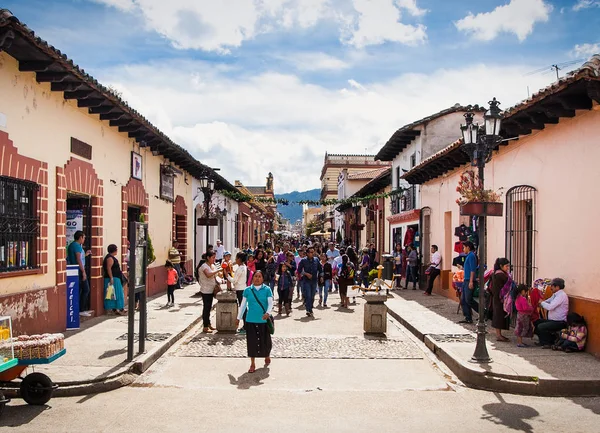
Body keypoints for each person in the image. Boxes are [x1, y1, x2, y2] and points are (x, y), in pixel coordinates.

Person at [236, 271, 273, 373]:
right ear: (252, 278)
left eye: (259, 276)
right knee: (252, 342)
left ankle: (267, 355)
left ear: (262, 278)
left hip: (263, 320)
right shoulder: (248, 290)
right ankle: (252, 363)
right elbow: (243, 305)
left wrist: (268, 313)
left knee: (266, 341)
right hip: (250, 320)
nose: (257, 278)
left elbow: (270, 303)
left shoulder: (267, 290)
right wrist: (238, 318)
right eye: (255, 276)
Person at [534, 277, 569, 348]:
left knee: (541, 326)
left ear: (557, 287)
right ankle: (543, 341)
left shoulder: (561, 296)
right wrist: (542, 302)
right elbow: (548, 301)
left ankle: (547, 343)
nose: (550, 287)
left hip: (559, 322)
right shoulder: (555, 294)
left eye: (552, 286)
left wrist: (542, 303)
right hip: (553, 320)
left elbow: (550, 307)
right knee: (536, 321)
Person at [198, 251, 221, 333]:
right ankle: (205, 326)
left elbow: (216, 276)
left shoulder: (213, 266)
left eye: (214, 258)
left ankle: (208, 323)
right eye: (213, 258)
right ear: (208, 257)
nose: (214, 259)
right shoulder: (204, 266)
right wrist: (217, 271)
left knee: (209, 307)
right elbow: (208, 275)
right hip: (205, 290)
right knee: (206, 308)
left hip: (212, 289)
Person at [490, 258, 511, 341]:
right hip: (500, 298)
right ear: (501, 266)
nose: (508, 268)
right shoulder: (500, 275)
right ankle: (499, 335)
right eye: (506, 266)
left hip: (498, 297)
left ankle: (499, 334)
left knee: (499, 315)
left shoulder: (496, 273)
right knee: (499, 316)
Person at [298, 247, 322, 318]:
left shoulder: (316, 260)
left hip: (314, 280)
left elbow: (320, 269)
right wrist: (306, 274)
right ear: (307, 253)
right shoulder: (303, 261)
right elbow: (299, 270)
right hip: (306, 281)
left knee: (312, 296)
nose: (312, 253)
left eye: (313, 252)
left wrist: (321, 276)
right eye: (311, 252)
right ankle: (309, 310)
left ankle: (309, 306)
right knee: (308, 295)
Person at [227, 252, 248, 334]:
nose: (235, 260)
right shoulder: (243, 267)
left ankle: (246, 326)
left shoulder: (240, 269)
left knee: (243, 308)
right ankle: (245, 325)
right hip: (243, 288)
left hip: (240, 289)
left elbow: (234, 280)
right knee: (244, 308)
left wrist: (227, 276)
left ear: (239, 259)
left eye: (236, 258)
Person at [102, 244, 126, 315]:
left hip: (114, 278)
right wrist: (111, 277)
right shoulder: (110, 258)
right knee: (117, 293)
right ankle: (119, 308)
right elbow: (108, 268)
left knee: (112, 294)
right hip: (113, 279)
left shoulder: (110, 257)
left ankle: (114, 309)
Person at [459, 241, 478, 324]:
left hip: (469, 280)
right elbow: (468, 269)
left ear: (468, 247)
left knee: (468, 299)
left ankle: (483, 312)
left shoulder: (471, 256)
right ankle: (468, 317)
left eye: (464, 247)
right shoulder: (468, 256)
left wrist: (471, 281)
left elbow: (472, 270)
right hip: (465, 280)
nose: (463, 249)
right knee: (463, 300)